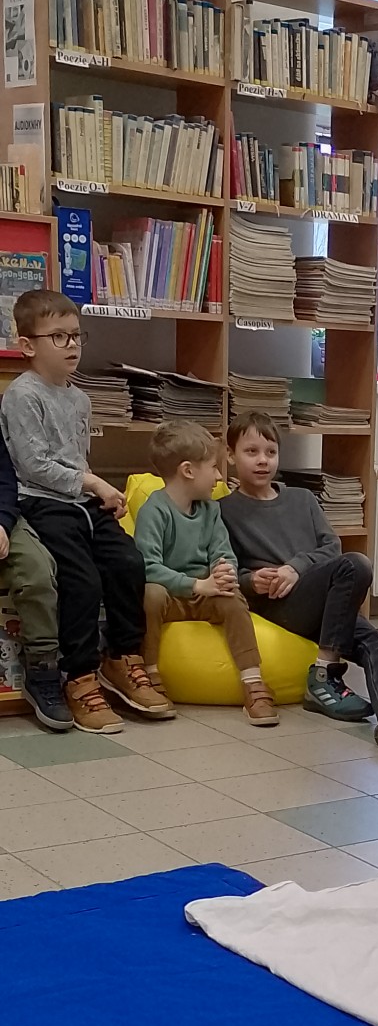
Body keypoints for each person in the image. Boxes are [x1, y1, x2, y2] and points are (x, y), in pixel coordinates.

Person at [220, 415, 378, 753]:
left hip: (321, 599)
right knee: (356, 564)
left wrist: (295, 567)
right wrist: (252, 581)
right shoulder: (223, 511)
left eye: (271, 451)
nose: (263, 460)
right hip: (278, 604)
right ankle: (323, 675)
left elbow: (330, 547)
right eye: (251, 451)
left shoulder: (302, 499)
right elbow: (226, 567)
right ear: (230, 455)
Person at [0, 289, 173, 733]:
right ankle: (79, 676)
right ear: (28, 345)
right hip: (41, 501)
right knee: (81, 578)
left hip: (80, 498)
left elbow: (77, 458)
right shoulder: (22, 395)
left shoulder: (80, 398)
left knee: (128, 562)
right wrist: (93, 482)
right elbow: (34, 465)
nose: (72, 345)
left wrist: (100, 491)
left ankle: (122, 658)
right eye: (58, 337)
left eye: (77, 335)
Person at [133, 423, 279, 726]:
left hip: (206, 592)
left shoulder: (210, 510)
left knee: (232, 597)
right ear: (188, 470)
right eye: (213, 467)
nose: (218, 477)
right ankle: (150, 673)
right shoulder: (154, 511)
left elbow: (223, 552)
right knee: (150, 593)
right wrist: (197, 584)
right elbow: (148, 566)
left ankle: (253, 681)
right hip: (172, 594)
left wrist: (224, 572)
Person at [0, 428, 70, 729]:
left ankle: (43, 671)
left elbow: (5, 480)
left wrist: (2, 522)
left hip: (4, 520)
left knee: (38, 569)